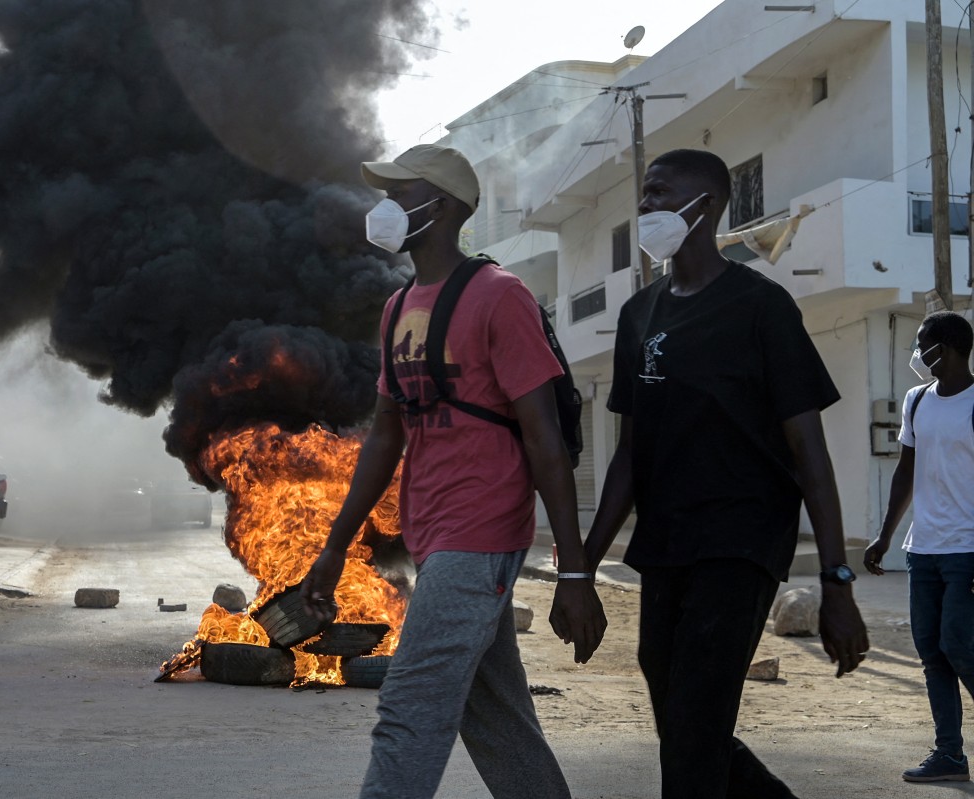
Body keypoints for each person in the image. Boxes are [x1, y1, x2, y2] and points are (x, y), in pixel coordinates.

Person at [299, 142, 607, 799]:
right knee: (495, 716)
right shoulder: (397, 307)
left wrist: (574, 571)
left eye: (398, 192)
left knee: (408, 707)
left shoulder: (501, 296)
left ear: (440, 206)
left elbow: (544, 439)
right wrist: (335, 544)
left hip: (482, 529)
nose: (384, 206)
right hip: (433, 536)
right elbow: (386, 435)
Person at [582, 148, 868, 799]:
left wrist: (837, 582)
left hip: (742, 543)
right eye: (645, 195)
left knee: (694, 726)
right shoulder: (639, 314)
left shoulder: (761, 307)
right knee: (688, 729)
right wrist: (581, 568)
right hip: (665, 545)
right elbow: (628, 453)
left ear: (702, 206)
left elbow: (810, 453)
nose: (646, 207)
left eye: (658, 194)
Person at [865, 311, 974, 783]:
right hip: (922, 549)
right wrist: (886, 534)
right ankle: (949, 754)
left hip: (967, 548)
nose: (916, 353)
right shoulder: (915, 401)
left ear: (945, 350)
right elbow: (905, 471)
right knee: (931, 651)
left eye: (921, 345)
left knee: (958, 643)